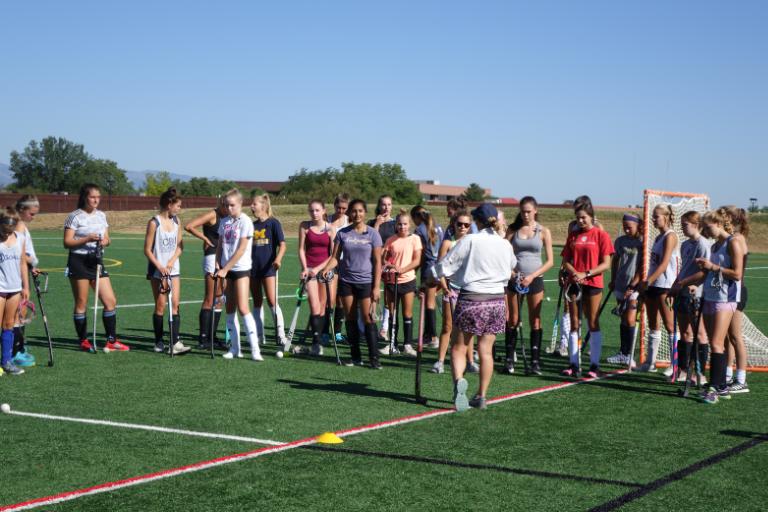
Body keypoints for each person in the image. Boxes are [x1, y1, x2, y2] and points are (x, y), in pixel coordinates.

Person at [430, 203, 515, 411]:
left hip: (471, 298)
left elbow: (446, 265)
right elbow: (511, 267)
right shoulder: (505, 244)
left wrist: (430, 277)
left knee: (459, 347)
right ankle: (482, 396)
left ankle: (459, 381)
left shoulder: (470, 239)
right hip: (496, 300)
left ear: (476, 221)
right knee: (485, 351)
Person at [64, 184, 128, 352]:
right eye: (93, 197)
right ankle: (83, 340)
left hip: (97, 260)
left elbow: (107, 238)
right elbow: (67, 242)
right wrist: (86, 239)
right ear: (85, 197)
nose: (96, 200)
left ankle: (111, 340)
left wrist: (104, 241)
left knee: (110, 301)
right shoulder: (75, 216)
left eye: (98, 197)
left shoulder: (101, 215)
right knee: (81, 302)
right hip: (79, 261)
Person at [321, 199, 383, 369]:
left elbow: (378, 262)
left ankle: (374, 358)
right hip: (346, 281)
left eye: (360, 211)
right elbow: (335, 258)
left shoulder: (372, 234)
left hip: (366, 282)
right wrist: (326, 269)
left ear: (365, 212)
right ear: (349, 213)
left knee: (369, 318)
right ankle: (356, 357)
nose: (357, 214)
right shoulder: (343, 233)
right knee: (350, 319)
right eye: (354, 211)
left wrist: (376, 287)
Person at [560, 201, 614, 377]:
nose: (581, 221)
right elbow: (566, 260)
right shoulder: (573, 236)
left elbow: (606, 264)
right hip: (574, 284)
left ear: (591, 216)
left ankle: (594, 366)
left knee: (593, 323)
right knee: (574, 324)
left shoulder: (601, 235)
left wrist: (586, 273)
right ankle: (574, 364)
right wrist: (575, 273)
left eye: (584, 217)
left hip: (593, 284)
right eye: (578, 218)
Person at [696, 208, 743, 404]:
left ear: (718, 224)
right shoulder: (715, 247)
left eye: (708, 227)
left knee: (717, 342)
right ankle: (721, 385)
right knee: (711, 341)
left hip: (726, 299)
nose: (706, 231)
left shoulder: (734, 243)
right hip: (710, 295)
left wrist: (713, 267)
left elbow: (737, 274)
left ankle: (715, 387)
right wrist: (694, 283)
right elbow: (709, 273)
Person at [503, 196, 554, 375]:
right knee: (513, 320)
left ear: (535, 211)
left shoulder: (543, 231)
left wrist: (532, 276)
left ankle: (535, 361)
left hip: (534, 280)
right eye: (523, 211)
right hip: (515, 280)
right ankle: (509, 359)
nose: (525, 214)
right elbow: (502, 254)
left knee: (535, 320)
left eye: (528, 211)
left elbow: (550, 261)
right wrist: (512, 274)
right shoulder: (512, 230)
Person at [215, 189, 262, 361]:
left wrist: (226, 268)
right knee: (230, 308)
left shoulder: (246, 221)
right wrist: (217, 262)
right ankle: (235, 348)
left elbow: (241, 249)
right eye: (226, 205)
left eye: (232, 205)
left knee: (243, 308)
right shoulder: (224, 221)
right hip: (226, 269)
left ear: (241, 204)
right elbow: (220, 244)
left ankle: (255, 350)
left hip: (240, 269)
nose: (229, 208)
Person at [144, 188, 190, 355]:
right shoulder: (154, 223)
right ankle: (158, 342)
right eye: (177, 205)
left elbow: (180, 246)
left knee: (175, 304)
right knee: (161, 305)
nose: (179, 208)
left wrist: (171, 262)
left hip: (173, 268)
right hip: (158, 270)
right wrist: (160, 266)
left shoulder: (177, 221)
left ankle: (175, 341)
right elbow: (147, 250)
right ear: (169, 205)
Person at [432, 209, 477, 374]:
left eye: (467, 224)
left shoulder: (473, 243)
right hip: (451, 289)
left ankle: (470, 361)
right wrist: (444, 288)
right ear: (454, 225)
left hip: (468, 291)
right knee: (448, 326)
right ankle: (440, 361)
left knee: (468, 328)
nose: (463, 227)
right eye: (460, 224)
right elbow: (439, 269)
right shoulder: (447, 243)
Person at [636, 204, 679, 373]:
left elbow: (664, 263)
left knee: (670, 325)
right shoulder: (658, 237)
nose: (653, 219)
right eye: (653, 216)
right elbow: (654, 264)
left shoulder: (671, 236)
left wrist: (648, 281)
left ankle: (674, 364)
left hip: (666, 286)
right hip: (653, 285)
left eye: (656, 216)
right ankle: (650, 363)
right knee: (653, 325)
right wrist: (647, 282)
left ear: (666, 217)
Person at [669, 211, 710, 383]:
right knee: (685, 333)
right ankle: (684, 370)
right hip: (682, 293)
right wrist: (675, 286)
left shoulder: (703, 244)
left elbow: (704, 272)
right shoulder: (685, 244)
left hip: (696, 295)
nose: (682, 227)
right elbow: (684, 269)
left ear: (696, 224)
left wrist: (684, 282)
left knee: (700, 334)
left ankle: (700, 373)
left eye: (685, 224)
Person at [184, 196, 229, 350]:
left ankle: (212, 336)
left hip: (224, 259)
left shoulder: (227, 217)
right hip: (211, 257)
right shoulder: (212, 215)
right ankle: (203, 338)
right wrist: (205, 238)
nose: (228, 208)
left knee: (220, 298)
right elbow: (189, 226)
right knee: (210, 298)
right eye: (226, 205)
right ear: (221, 204)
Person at [379, 210, 422, 356]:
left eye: (404, 224)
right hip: (392, 281)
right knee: (392, 313)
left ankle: (408, 345)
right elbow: (383, 258)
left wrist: (402, 269)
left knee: (407, 313)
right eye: (399, 224)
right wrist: (389, 266)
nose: (402, 227)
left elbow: (417, 260)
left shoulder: (415, 239)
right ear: (395, 225)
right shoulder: (390, 240)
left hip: (408, 280)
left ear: (409, 225)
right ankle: (392, 344)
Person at [297, 199, 336, 355]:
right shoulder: (304, 226)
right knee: (314, 306)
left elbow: (333, 254)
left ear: (324, 211)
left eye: (317, 210)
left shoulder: (330, 229)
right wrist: (306, 268)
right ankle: (316, 343)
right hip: (310, 272)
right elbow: (301, 249)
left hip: (325, 272)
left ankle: (317, 342)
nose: (314, 213)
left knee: (322, 306)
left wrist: (319, 269)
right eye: (312, 210)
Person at [250, 192, 287, 347]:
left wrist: (278, 259)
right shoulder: (251, 224)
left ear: (263, 206)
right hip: (252, 268)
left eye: (254, 204)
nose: (251, 207)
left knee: (272, 301)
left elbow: (283, 244)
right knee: (257, 302)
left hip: (268, 268)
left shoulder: (273, 223)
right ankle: (259, 336)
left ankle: (281, 335)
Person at [606, 213, 643, 366]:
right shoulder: (620, 241)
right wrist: (613, 279)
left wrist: (633, 284)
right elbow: (615, 260)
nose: (627, 230)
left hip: (634, 286)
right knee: (623, 318)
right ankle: (623, 353)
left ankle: (630, 355)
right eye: (625, 227)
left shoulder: (642, 242)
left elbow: (643, 266)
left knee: (630, 319)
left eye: (630, 227)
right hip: (621, 283)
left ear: (638, 226)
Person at [11, 195, 40, 368]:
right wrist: (31, 263)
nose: (33, 217)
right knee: (17, 315)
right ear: (22, 210)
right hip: (16, 276)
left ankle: (19, 347)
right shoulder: (19, 225)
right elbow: (21, 254)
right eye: (31, 213)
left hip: (22, 272)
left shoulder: (21, 224)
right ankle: (16, 351)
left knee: (18, 314)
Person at [0, 207, 29, 376]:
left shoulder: (20, 238)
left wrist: (25, 286)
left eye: (10, 229)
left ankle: (6, 362)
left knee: (9, 325)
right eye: (4, 229)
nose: (7, 232)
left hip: (15, 288)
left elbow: (22, 263)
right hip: (0, 288)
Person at [724, 206, 749, 393]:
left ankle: (741, 379)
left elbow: (737, 272)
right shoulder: (730, 238)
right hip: (728, 291)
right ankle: (727, 375)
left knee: (735, 336)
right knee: (726, 337)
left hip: (737, 291)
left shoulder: (737, 239)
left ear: (730, 218)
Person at [411, 205, 443, 347]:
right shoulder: (439, 227)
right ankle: (428, 335)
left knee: (429, 303)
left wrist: (414, 269)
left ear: (416, 217)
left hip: (429, 270)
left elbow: (421, 253)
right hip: (440, 268)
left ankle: (432, 337)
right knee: (432, 301)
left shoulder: (419, 230)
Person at [368, 195, 396, 339]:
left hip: (389, 264)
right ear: (379, 206)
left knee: (388, 297)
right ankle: (369, 326)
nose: (386, 207)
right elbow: (370, 240)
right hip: (373, 263)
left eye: (389, 204)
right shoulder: (372, 222)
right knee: (373, 295)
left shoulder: (396, 223)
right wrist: (377, 224)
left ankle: (384, 329)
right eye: (383, 204)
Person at [328, 193, 350, 339]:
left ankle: (337, 332)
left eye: (344, 208)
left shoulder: (349, 221)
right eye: (338, 207)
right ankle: (323, 330)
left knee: (342, 299)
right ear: (334, 205)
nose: (341, 211)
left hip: (345, 264)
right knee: (329, 299)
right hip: (328, 264)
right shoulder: (327, 220)